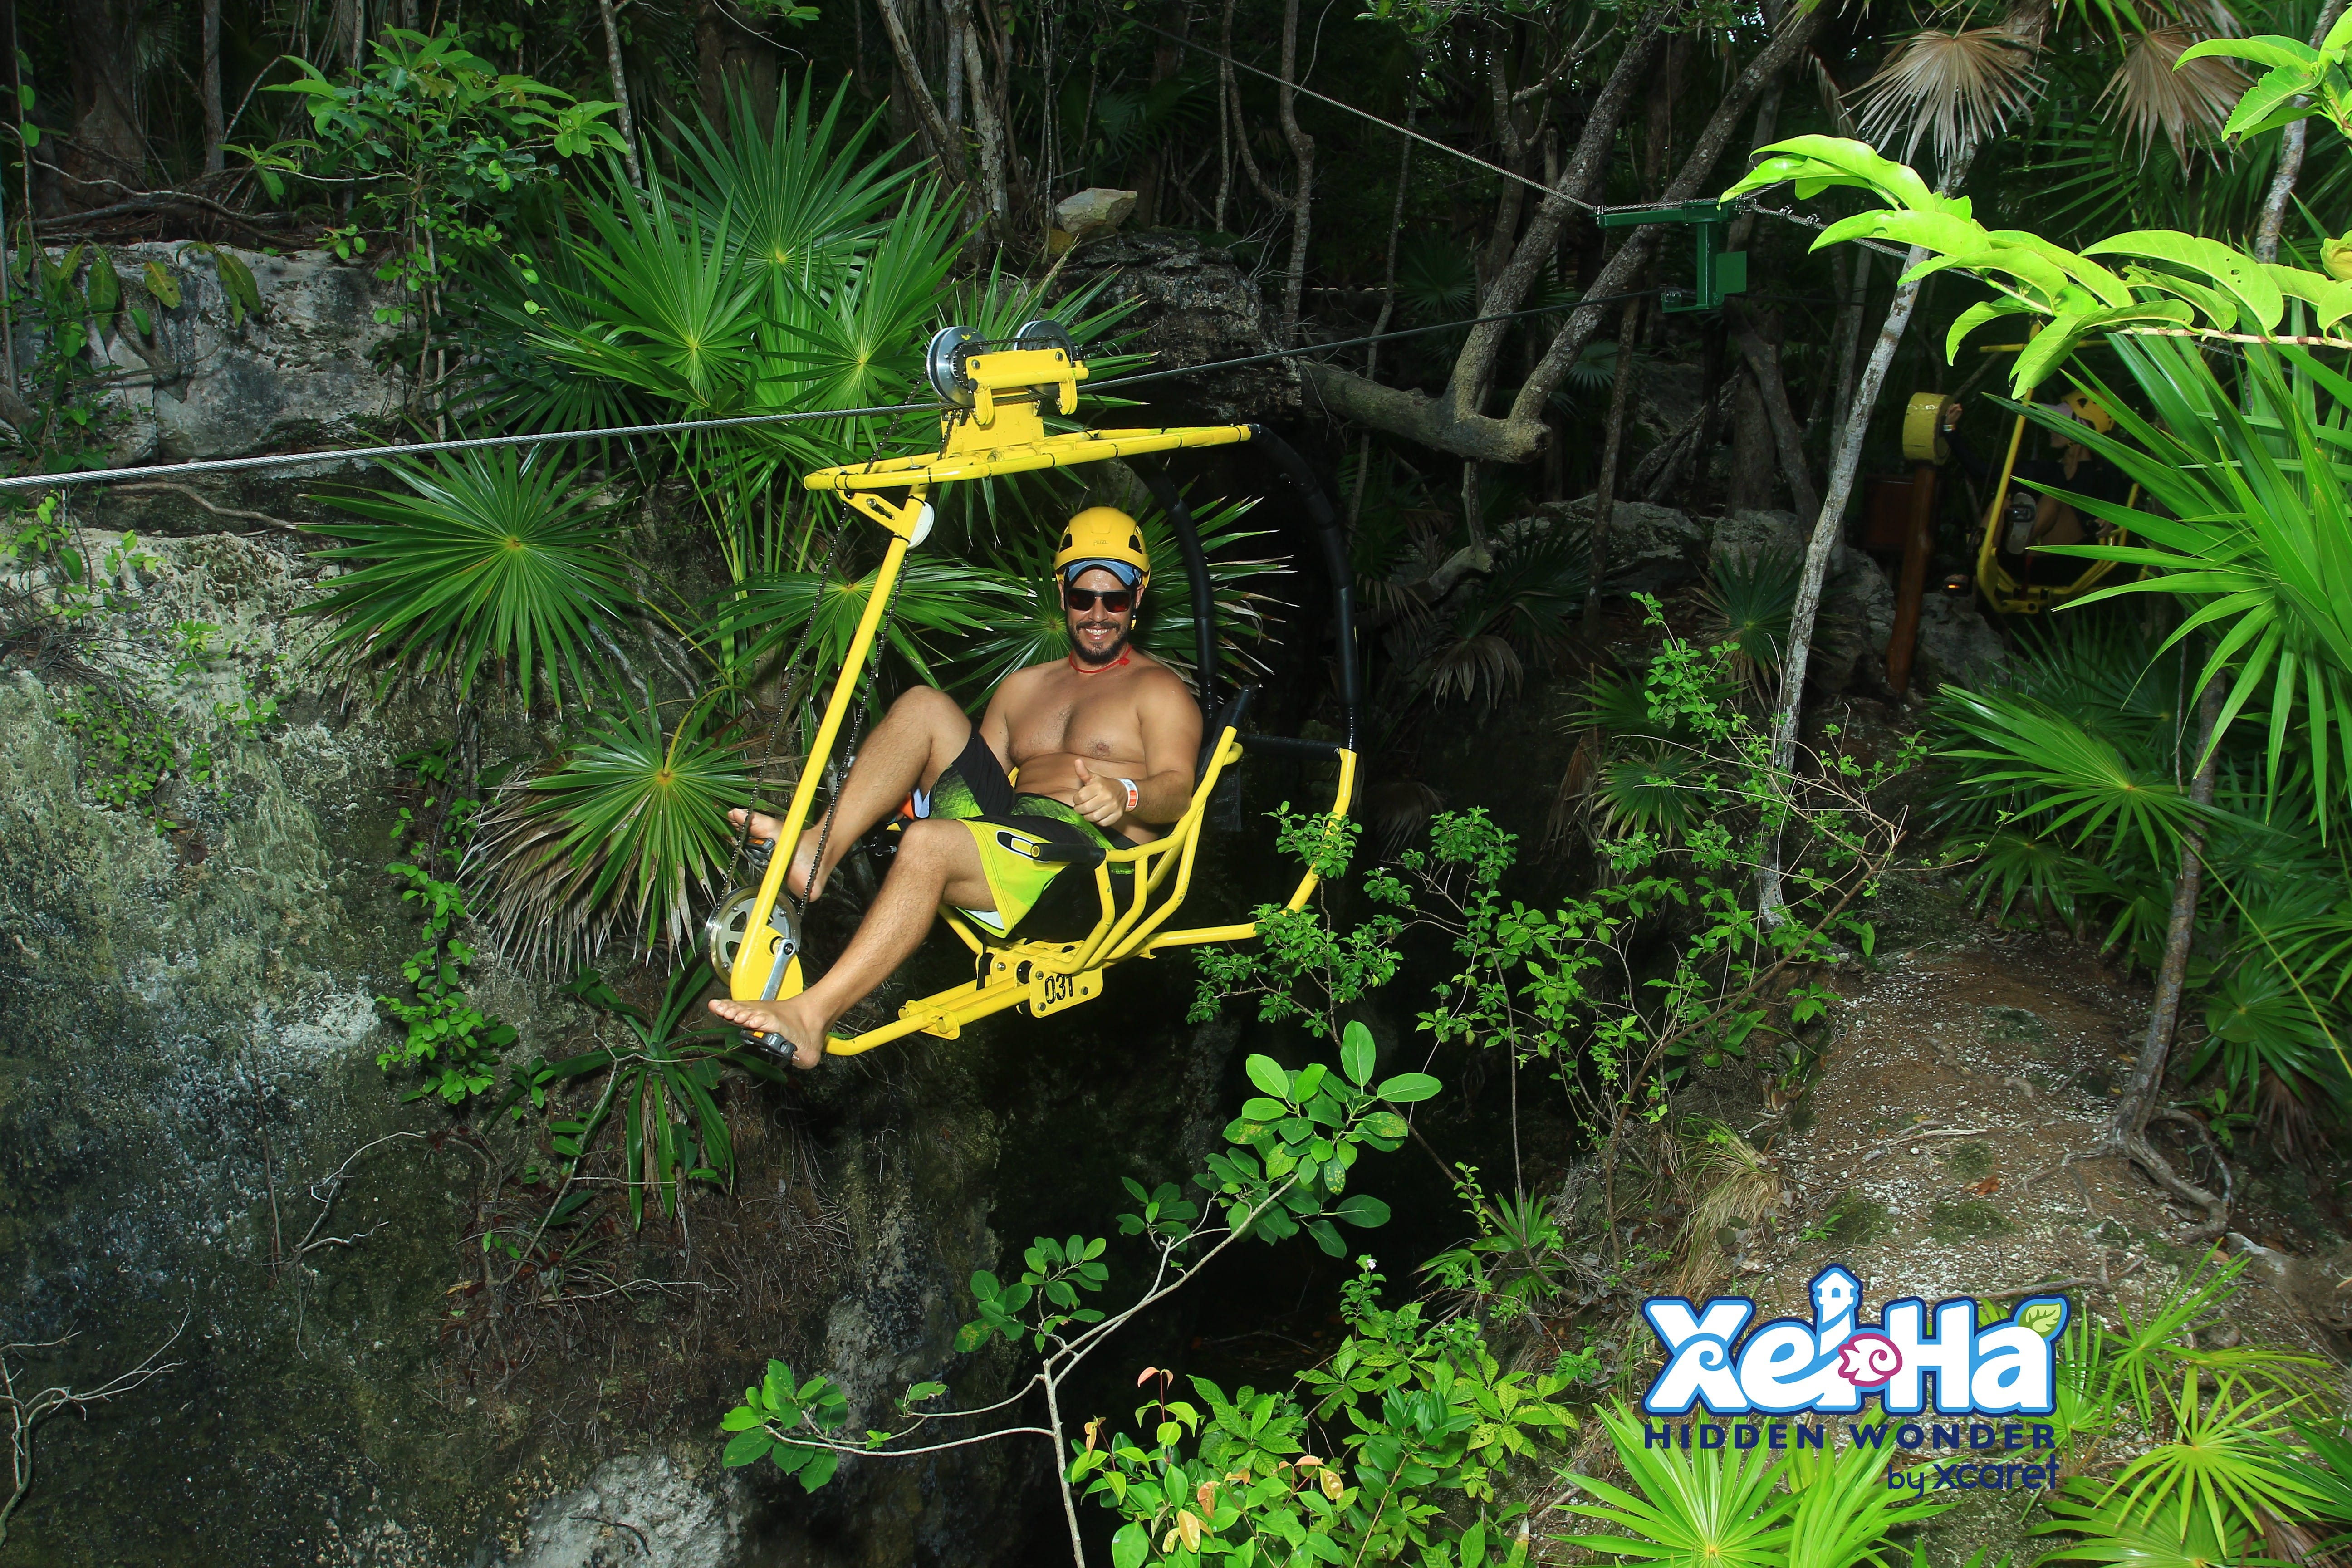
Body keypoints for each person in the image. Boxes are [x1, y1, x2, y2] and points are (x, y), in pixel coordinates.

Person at [708, 507, 1204, 1067]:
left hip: (1086, 873)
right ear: (1062, 592)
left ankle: (811, 1017)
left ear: (1138, 597)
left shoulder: (1157, 691)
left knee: (929, 845)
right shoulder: (1023, 689)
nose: (1097, 615)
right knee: (924, 706)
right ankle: (815, 852)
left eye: (1113, 600)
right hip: (1015, 836)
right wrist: (904, 799)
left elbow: (1178, 792)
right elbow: (971, 789)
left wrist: (1125, 795)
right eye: (1082, 597)